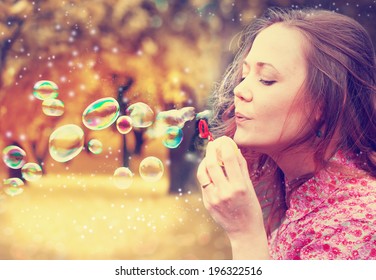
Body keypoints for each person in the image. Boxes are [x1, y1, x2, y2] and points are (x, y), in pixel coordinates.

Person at [196, 7, 376, 260]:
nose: (240, 90)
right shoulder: (306, 199)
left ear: (322, 104)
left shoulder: (360, 223)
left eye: (266, 79)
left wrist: (245, 233)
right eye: (244, 75)